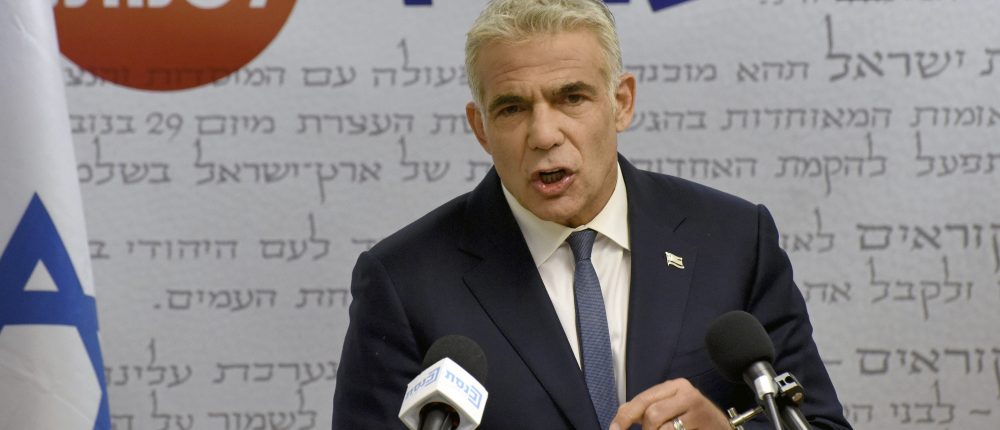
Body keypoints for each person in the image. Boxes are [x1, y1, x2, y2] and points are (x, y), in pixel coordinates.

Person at [333, 1, 853, 429]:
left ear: (621, 102)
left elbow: (819, 423)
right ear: (480, 128)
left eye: (571, 98)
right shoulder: (405, 282)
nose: (543, 134)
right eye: (512, 108)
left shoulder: (735, 241)